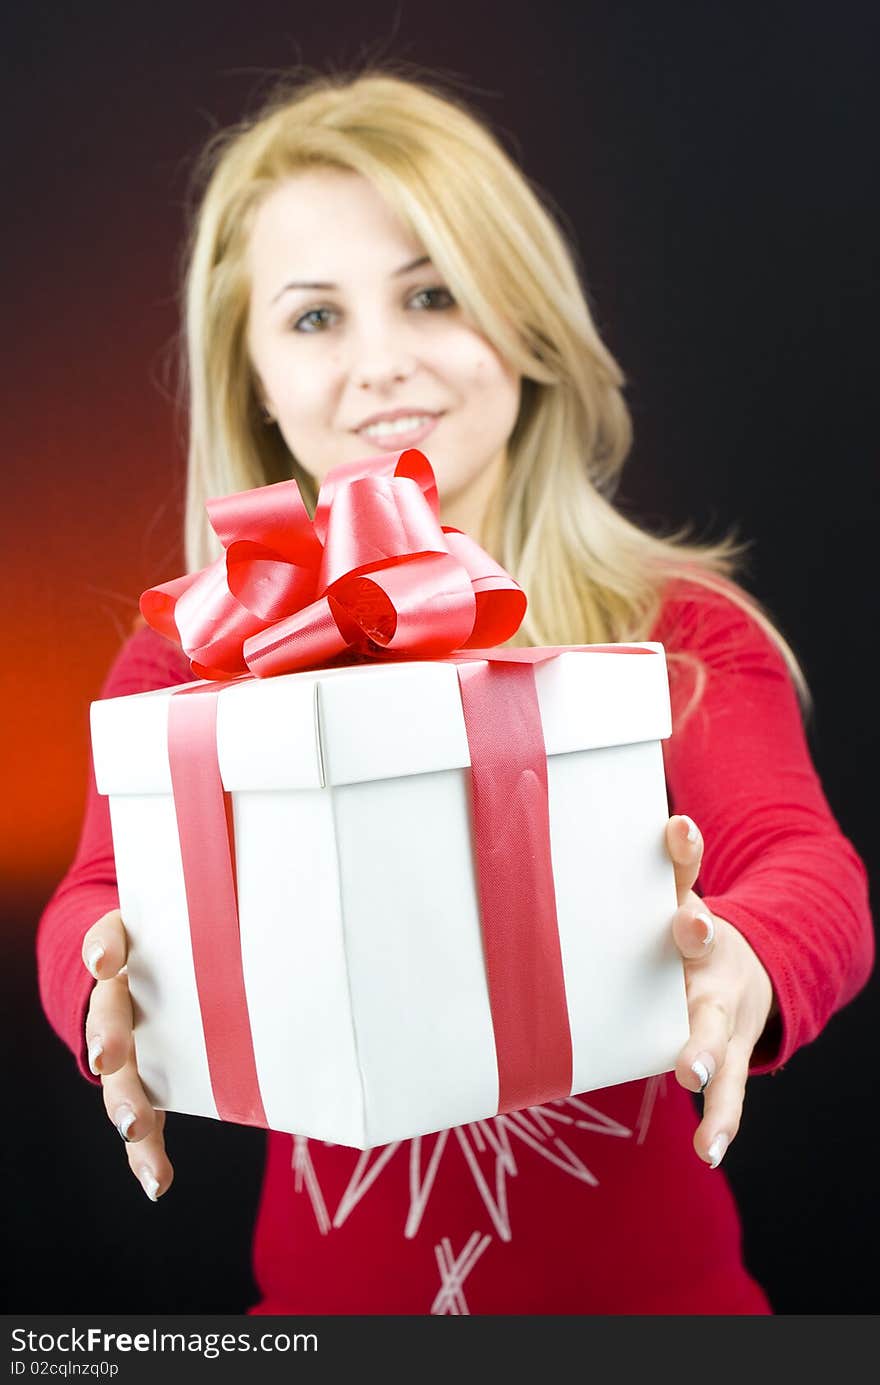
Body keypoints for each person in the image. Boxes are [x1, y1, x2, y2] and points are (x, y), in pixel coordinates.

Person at [36, 67, 873, 1315]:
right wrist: (97, 984)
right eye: (314, 318)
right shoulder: (195, 656)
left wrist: (746, 954)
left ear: (525, 324)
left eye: (431, 294)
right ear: (253, 371)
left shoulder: (674, 632)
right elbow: (97, 894)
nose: (380, 365)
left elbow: (801, 860)